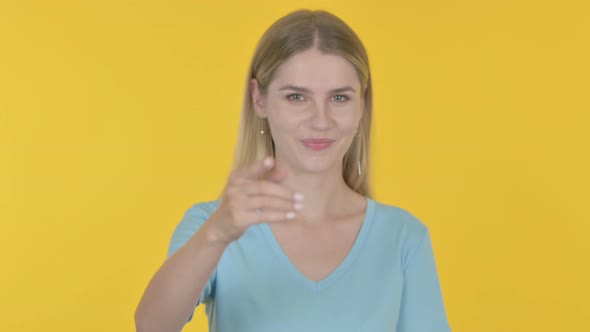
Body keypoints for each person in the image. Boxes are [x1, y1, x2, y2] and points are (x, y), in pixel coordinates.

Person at [135, 9, 451, 332]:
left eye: (339, 97)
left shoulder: (404, 238)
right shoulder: (210, 226)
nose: (320, 120)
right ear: (259, 99)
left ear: (361, 104)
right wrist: (217, 234)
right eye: (297, 97)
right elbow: (151, 326)